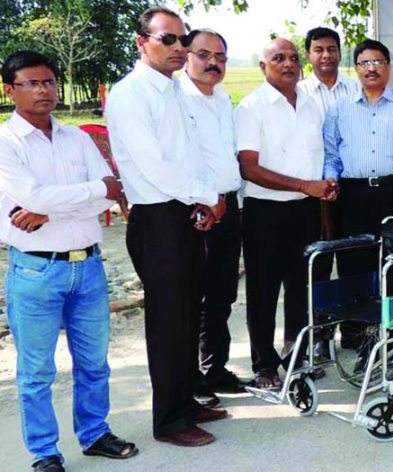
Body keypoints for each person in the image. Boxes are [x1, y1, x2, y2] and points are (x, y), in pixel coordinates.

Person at [0, 50, 137, 472]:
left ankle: (95, 433)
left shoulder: (78, 137)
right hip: (37, 269)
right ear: (10, 90)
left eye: (49, 82)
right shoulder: (6, 145)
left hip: (89, 267)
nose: (44, 90)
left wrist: (52, 208)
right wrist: (90, 192)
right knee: (37, 371)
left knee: (94, 362)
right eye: (32, 83)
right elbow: (42, 197)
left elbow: (113, 190)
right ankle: (45, 453)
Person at [106, 6, 227, 447]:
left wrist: (204, 196)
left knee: (188, 312)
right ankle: (169, 421)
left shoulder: (174, 91)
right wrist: (204, 194)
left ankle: (187, 401)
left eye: (182, 39)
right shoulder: (130, 94)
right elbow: (153, 165)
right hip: (158, 216)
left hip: (185, 211)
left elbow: (189, 154)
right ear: (142, 42)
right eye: (167, 39)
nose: (178, 48)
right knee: (169, 321)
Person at [236, 38, 334, 390]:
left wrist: (320, 204)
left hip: (306, 211)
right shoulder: (251, 107)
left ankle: (296, 357)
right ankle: (264, 365)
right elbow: (249, 168)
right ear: (263, 66)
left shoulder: (310, 105)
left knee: (301, 289)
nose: (289, 63)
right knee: (263, 291)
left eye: (294, 57)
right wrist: (304, 186)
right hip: (265, 213)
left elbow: (317, 163)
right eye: (278, 58)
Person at [178, 28, 247, 408]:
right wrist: (204, 200)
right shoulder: (178, 99)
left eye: (220, 56)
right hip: (196, 209)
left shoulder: (222, 99)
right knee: (193, 297)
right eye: (204, 54)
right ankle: (189, 379)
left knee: (222, 293)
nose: (213, 63)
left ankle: (214, 368)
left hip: (228, 206)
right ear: (187, 55)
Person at [323, 39, 393, 276]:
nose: (371, 68)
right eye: (364, 63)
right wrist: (330, 180)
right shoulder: (339, 109)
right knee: (354, 273)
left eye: (378, 61)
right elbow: (331, 158)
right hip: (352, 199)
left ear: (388, 66)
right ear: (356, 68)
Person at [298, 27, 360, 289]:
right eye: (319, 50)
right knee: (317, 264)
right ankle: (319, 328)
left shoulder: (357, 89)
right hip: (310, 190)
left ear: (339, 52)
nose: (326, 55)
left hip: (351, 188)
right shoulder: (298, 93)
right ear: (308, 55)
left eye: (332, 49)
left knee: (354, 260)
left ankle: (352, 328)